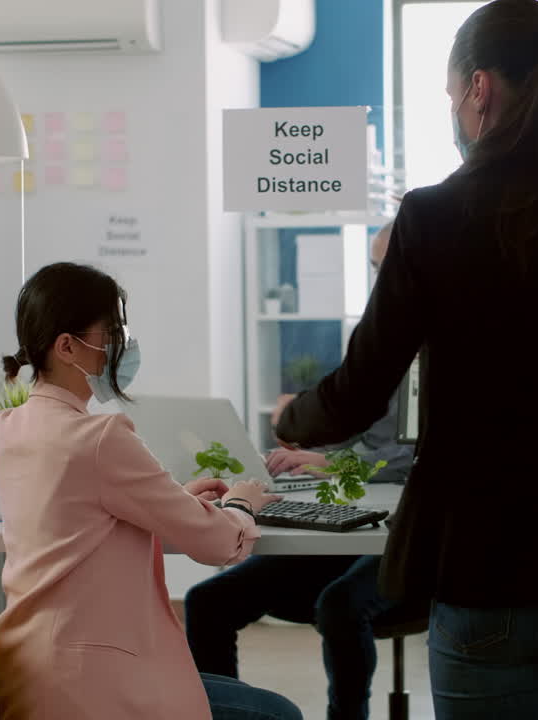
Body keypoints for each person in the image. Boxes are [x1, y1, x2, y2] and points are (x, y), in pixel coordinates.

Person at [274, 3, 538, 718]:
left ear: (478, 89)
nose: (454, 107)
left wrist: (292, 418)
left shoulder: (431, 218)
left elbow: (359, 392)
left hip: (485, 566)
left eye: (452, 93)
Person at [0, 262, 302, 720]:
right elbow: (218, 544)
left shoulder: (8, 427)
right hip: (88, 683)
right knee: (279, 714)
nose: (121, 345)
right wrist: (240, 504)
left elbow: (78, 512)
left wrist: (172, 500)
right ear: (67, 346)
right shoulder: (98, 438)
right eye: (111, 332)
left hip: (30, 669)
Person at [185, 225, 415, 720]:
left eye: (389, 266)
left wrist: (331, 461)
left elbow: (418, 456)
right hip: (356, 525)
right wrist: (305, 448)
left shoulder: (445, 342)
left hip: (411, 541)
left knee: (340, 605)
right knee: (207, 602)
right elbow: (360, 431)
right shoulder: (376, 337)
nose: (381, 280)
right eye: (376, 268)